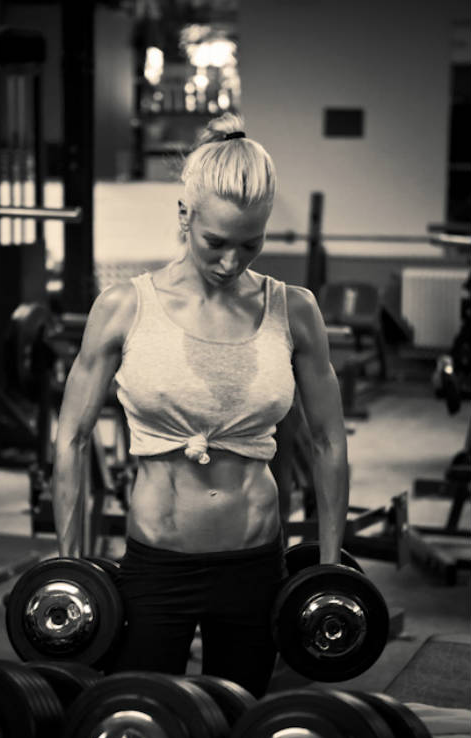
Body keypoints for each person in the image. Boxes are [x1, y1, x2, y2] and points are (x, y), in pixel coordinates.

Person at [52, 111, 349, 698]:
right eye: (216, 242)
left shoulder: (295, 309)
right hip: (157, 562)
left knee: (238, 728)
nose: (231, 262)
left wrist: (331, 568)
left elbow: (327, 440)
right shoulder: (123, 306)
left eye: (251, 244)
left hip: (255, 563)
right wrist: (70, 566)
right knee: (141, 717)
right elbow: (71, 437)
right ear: (184, 215)